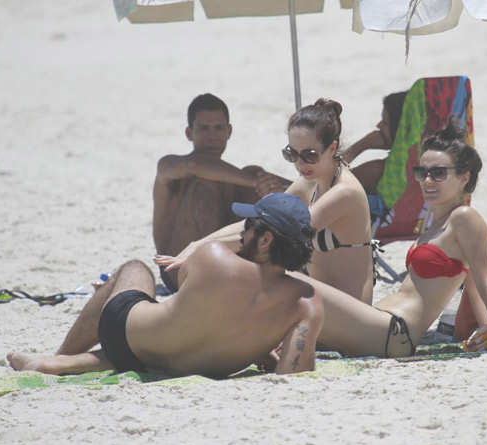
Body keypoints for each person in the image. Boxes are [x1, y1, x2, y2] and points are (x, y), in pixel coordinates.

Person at [7, 193, 323, 378]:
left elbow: (184, 293)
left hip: (128, 338)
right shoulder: (307, 303)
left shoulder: (215, 256)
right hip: (182, 367)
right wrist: (257, 345)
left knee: (135, 269)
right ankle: (59, 364)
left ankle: (59, 356)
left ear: (266, 239)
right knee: (175, 345)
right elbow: (293, 375)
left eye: (250, 226)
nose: (242, 233)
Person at [292, 119, 487, 357]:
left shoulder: (464, 218)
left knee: (287, 280)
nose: (428, 181)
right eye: (422, 172)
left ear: (464, 178)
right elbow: (473, 289)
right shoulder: (434, 224)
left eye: (438, 173)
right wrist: (485, 335)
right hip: (378, 323)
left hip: (394, 333)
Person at [156, 98, 375, 304]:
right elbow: (260, 220)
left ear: (332, 149)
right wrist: (197, 244)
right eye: (292, 154)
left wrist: (205, 248)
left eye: (309, 155)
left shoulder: (344, 192)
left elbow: (273, 231)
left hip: (349, 313)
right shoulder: (313, 181)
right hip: (321, 304)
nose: (299, 164)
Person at [153, 93, 284, 293]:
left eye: (219, 128)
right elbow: (196, 165)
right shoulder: (169, 167)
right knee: (211, 182)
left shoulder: (240, 177)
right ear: (189, 133)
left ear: (229, 131)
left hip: (228, 265)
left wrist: (274, 186)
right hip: (178, 269)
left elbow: (287, 187)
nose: (212, 136)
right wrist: (257, 182)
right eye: (203, 128)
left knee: (252, 171)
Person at [341, 91, 407, 194]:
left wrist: (363, 144)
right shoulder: (429, 164)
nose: (378, 125)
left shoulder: (380, 171)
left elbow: (327, 181)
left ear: (399, 128)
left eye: (385, 122)